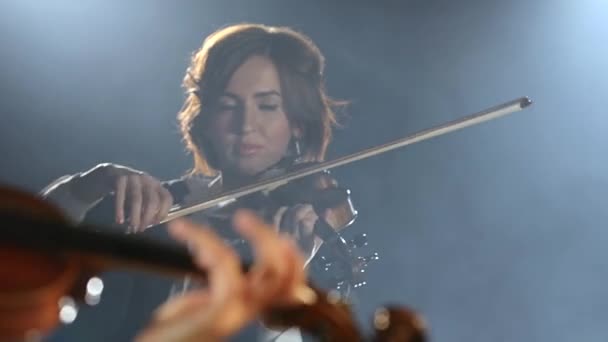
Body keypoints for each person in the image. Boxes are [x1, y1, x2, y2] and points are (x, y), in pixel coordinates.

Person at [40, 23, 349, 341]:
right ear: (206, 118)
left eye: (267, 106)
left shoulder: (303, 225)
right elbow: (28, 244)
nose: (246, 124)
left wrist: (280, 292)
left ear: (298, 123)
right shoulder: (164, 203)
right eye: (229, 105)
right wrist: (92, 182)